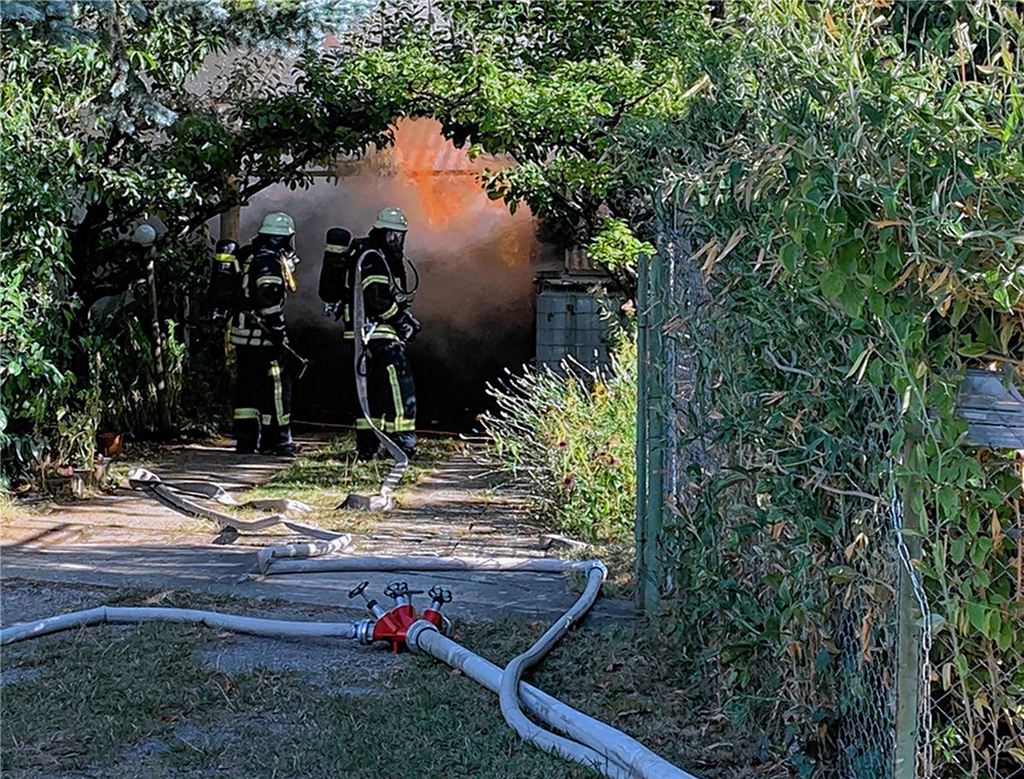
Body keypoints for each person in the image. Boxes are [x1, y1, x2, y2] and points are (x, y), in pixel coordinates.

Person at [344, 206, 420, 461]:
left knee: (373, 394)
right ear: (387, 234)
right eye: (396, 236)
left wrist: (406, 317)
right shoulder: (374, 258)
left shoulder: (367, 255)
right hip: (378, 337)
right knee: (401, 388)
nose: (399, 242)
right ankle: (402, 444)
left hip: (366, 338)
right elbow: (375, 299)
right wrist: (400, 321)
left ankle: (369, 447)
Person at [229, 211, 302, 456]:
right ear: (280, 239)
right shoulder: (269, 260)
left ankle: (245, 440)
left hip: (242, 335)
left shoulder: (246, 255)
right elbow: (268, 298)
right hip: (263, 338)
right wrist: (279, 329)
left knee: (247, 388)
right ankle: (278, 441)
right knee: (278, 388)